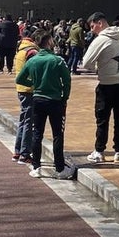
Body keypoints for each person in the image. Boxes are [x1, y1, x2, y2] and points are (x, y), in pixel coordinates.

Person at [15, 32, 73, 180]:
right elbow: (67, 81)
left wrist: (34, 84)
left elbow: (20, 79)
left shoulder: (32, 61)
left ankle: (36, 166)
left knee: (37, 133)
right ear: (48, 42)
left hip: (38, 99)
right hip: (55, 101)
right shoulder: (57, 60)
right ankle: (59, 167)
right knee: (57, 134)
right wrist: (64, 97)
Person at [82, 12, 119, 164]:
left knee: (102, 119)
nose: (92, 30)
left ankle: (99, 150)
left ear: (100, 22)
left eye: (93, 26)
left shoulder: (100, 40)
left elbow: (86, 62)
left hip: (106, 84)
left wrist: (97, 66)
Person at [12, 28, 39, 164]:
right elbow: (36, 70)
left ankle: (18, 151)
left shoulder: (21, 49)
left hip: (21, 89)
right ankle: (25, 153)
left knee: (23, 121)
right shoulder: (32, 51)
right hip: (30, 89)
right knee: (29, 122)